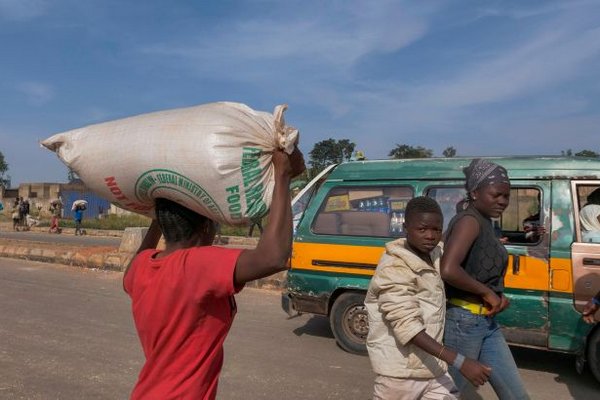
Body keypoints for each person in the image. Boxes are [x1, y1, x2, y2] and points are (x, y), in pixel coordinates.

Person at [123, 148, 305, 399]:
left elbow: (136, 262)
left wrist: (158, 217)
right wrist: (282, 175)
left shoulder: (142, 267)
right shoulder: (197, 265)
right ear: (206, 226)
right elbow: (273, 257)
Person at [365, 196, 491, 400]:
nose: (430, 236)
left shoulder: (435, 255)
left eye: (436, 230)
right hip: (400, 374)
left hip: (433, 368)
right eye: (422, 230)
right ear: (406, 227)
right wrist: (460, 361)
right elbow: (408, 327)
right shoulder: (393, 268)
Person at [441, 158, 529, 399]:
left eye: (506, 196)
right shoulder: (469, 221)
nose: (503, 201)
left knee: (515, 395)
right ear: (475, 193)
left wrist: (496, 296)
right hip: (463, 321)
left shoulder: (486, 223)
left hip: (486, 323)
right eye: (496, 195)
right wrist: (486, 292)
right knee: (448, 395)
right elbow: (448, 269)